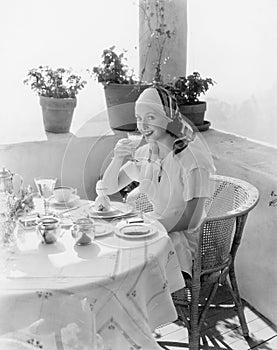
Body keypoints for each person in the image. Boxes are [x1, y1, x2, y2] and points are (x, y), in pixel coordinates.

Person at [102, 85, 215, 276]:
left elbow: (191, 220)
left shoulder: (193, 160)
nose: (143, 126)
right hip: (156, 228)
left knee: (128, 259)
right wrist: (117, 158)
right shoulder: (147, 153)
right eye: (139, 118)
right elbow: (109, 187)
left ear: (169, 117)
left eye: (150, 117)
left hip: (182, 239)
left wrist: (145, 228)